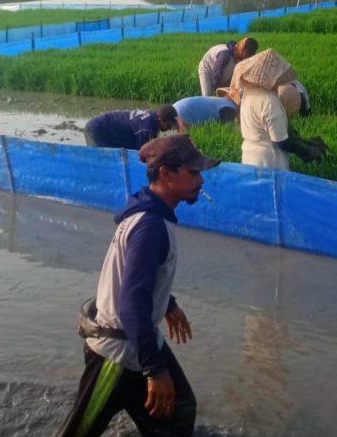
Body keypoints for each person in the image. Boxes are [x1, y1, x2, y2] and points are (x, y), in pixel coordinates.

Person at [58, 134, 219, 437]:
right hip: (116, 354)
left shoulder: (152, 214)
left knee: (179, 408)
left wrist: (167, 304)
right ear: (166, 173)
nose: (201, 179)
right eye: (194, 171)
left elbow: (141, 278)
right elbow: (131, 303)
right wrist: (154, 370)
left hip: (137, 341)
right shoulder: (149, 227)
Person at [235, 50, 327, 169]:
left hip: (249, 157)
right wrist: (308, 151)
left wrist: (305, 142)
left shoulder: (249, 92)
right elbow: (281, 141)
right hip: (269, 162)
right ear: (271, 77)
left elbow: (275, 129)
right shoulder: (269, 101)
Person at [84, 105, 178, 150]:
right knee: (102, 162)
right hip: (97, 129)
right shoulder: (146, 129)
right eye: (169, 125)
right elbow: (140, 154)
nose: (169, 128)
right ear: (161, 119)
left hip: (108, 130)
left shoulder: (152, 117)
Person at [172, 95, 237, 131]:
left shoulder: (221, 100)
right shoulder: (230, 108)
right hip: (182, 111)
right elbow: (227, 130)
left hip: (176, 106)